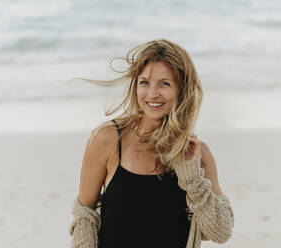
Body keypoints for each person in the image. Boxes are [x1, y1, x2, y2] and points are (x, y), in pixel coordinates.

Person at [68, 39, 234, 248]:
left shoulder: (196, 154)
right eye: (144, 82)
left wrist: (191, 176)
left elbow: (220, 232)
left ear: (181, 90)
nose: (152, 94)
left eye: (164, 84)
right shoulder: (107, 140)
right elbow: (85, 216)